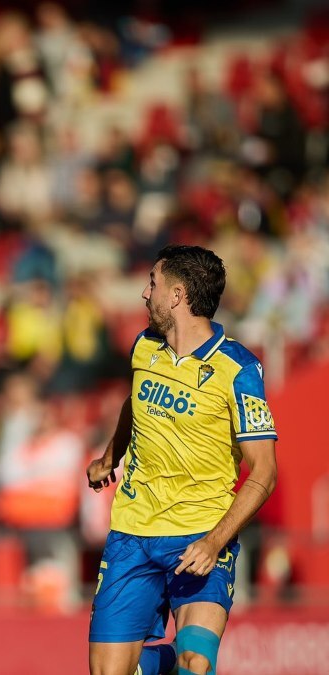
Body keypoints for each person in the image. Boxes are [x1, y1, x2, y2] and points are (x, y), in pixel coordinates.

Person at [86, 245, 279, 675]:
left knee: (197, 662)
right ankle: (160, 662)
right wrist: (110, 456)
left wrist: (214, 542)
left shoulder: (239, 369)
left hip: (200, 534)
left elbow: (265, 473)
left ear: (177, 295)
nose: (144, 293)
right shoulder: (144, 348)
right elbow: (134, 404)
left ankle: (179, 660)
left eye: (152, 283)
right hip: (132, 534)